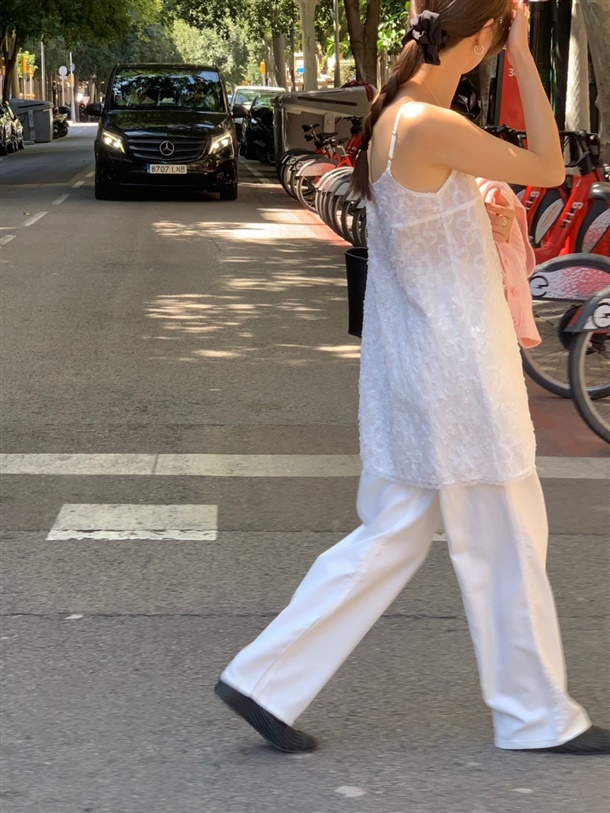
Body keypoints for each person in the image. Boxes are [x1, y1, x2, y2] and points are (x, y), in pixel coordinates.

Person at [215, 0, 610, 756]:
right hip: (459, 373)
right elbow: (550, 168)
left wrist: (479, 211)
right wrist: (525, 55)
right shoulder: (430, 123)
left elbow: (430, 227)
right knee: (506, 540)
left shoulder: (396, 117)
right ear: (485, 35)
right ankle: (534, 716)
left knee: (391, 536)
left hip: (413, 366)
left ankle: (265, 679)